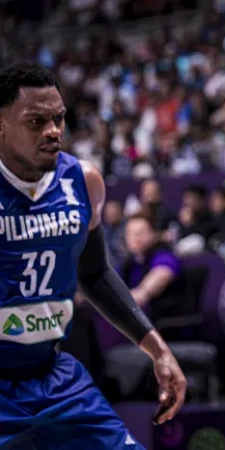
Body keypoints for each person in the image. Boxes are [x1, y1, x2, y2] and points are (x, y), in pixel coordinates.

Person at [0, 61, 186, 448]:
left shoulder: (82, 181)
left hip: (53, 376)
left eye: (58, 118)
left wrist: (158, 350)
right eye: (36, 121)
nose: (53, 130)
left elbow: (95, 274)